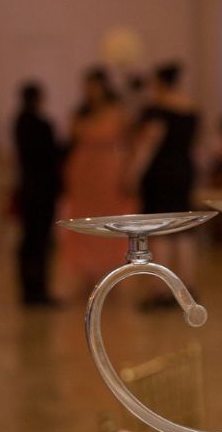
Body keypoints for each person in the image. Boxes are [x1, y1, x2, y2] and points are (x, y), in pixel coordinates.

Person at [58, 67, 134, 297]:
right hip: (83, 171)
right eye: (87, 86)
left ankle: (111, 272)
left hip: (109, 170)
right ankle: (85, 273)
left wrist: (128, 172)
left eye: (94, 86)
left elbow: (129, 144)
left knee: (109, 221)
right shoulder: (80, 113)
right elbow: (70, 141)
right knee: (83, 222)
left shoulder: (117, 111)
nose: (90, 91)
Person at [132, 62, 200, 296]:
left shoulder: (157, 110)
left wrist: (133, 174)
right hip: (184, 169)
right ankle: (187, 284)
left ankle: (159, 289)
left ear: (159, 82)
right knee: (183, 227)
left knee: (159, 229)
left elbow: (148, 144)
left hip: (160, 172)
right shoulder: (191, 108)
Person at [12, 81, 61, 306]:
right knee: (40, 241)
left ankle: (29, 288)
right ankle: (37, 289)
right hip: (42, 190)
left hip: (27, 187)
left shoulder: (19, 122)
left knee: (29, 240)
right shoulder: (41, 125)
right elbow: (53, 155)